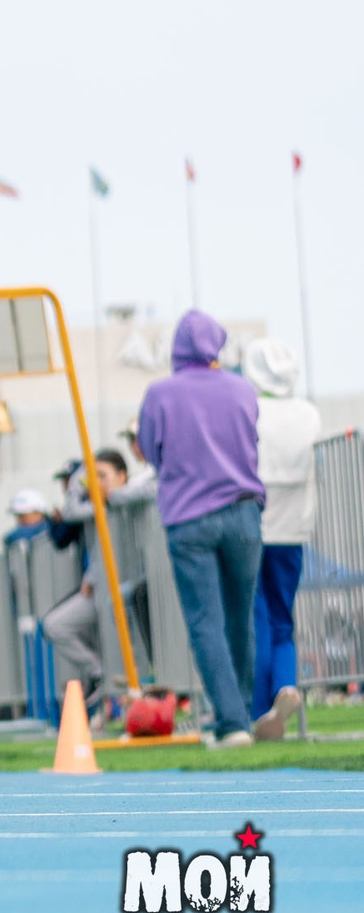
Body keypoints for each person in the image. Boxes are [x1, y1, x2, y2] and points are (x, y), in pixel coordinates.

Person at [136, 310, 264, 747]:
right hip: (244, 511)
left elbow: (150, 449)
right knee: (240, 617)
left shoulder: (160, 394)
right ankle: (240, 712)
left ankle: (231, 723)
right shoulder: (242, 388)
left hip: (188, 517)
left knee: (205, 621)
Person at [41, 449, 157, 710]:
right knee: (54, 625)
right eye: (93, 477)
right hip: (101, 592)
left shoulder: (128, 499)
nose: (97, 483)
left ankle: (140, 696)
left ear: (123, 476)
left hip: (131, 590)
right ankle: (100, 674)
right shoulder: (97, 506)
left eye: (102, 476)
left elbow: (153, 490)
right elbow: (70, 512)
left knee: (128, 628)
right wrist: (79, 479)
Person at [244, 337, 317, 740]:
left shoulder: (250, 409)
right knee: (282, 619)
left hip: (256, 525)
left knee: (257, 620)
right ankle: (285, 686)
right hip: (294, 529)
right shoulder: (308, 413)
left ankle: (259, 711)